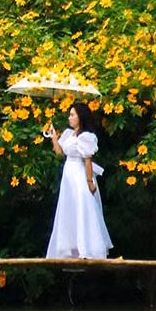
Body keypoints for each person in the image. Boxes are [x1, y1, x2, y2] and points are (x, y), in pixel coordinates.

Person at [43, 101, 113, 259]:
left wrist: (89, 181)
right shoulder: (69, 134)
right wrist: (54, 137)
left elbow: (87, 159)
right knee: (69, 207)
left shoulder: (86, 137)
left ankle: (86, 247)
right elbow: (60, 152)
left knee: (82, 206)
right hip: (68, 175)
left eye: (72, 115)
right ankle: (70, 248)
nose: (70, 117)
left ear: (80, 117)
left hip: (79, 175)